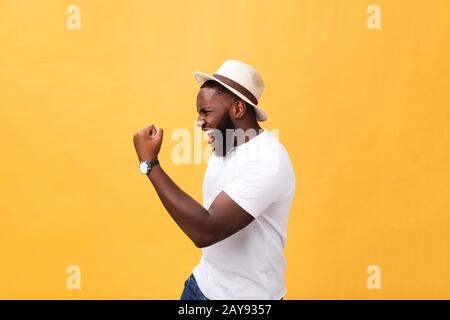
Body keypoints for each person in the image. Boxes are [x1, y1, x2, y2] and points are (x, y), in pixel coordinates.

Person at [133, 59, 296, 300]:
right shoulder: (226, 144)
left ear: (238, 109)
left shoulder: (268, 162)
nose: (199, 123)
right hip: (201, 287)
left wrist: (150, 164)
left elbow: (206, 231)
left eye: (206, 112)